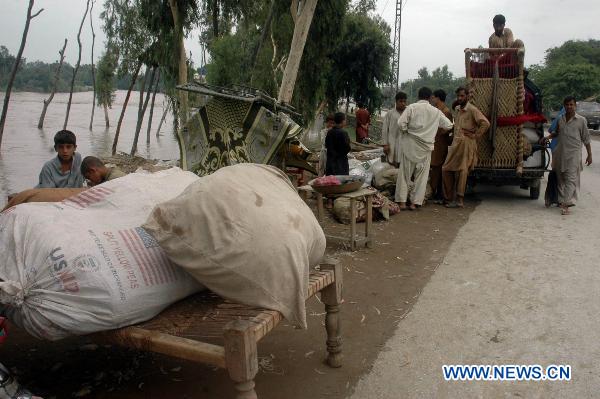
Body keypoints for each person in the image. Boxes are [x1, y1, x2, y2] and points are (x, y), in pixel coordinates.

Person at [395, 87, 453, 210]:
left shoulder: (411, 108)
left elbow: (400, 123)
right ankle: (414, 203)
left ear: (418, 96)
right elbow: (449, 125)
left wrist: (407, 131)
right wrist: (433, 131)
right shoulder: (436, 112)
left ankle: (402, 202)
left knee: (404, 175)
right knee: (421, 178)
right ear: (429, 97)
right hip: (426, 148)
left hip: (410, 145)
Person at [540, 96, 592, 215]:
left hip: (574, 154)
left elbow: (587, 139)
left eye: (571, 105)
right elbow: (557, 133)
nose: (569, 107)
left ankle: (566, 203)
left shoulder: (581, 120)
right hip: (560, 153)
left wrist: (589, 155)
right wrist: (547, 137)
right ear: (564, 106)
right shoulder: (560, 119)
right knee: (560, 178)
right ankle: (561, 200)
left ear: (575, 106)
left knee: (571, 179)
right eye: (567, 105)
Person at [442, 87, 490, 208]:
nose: (460, 98)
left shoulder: (472, 110)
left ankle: (459, 200)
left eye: (462, 96)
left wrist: (475, 135)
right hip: (456, 144)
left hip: (467, 144)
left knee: (462, 171)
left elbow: (485, 123)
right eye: (458, 96)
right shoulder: (458, 109)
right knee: (446, 168)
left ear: (467, 96)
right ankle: (448, 198)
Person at [429, 89, 454, 204]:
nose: (432, 99)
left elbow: (448, 128)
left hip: (440, 144)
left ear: (438, 98)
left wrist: (436, 131)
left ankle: (438, 194)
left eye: (433, 97)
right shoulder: (438, 110)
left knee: (437, 169)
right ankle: (436, 193)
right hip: (436, 143)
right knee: (435, 169)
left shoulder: (446, 111)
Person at [382, 92, 408, 167]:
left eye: (404, 101)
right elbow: (384, 129)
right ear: (396, 102)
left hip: (405, 143)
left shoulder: (409, 113)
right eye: (401, 101)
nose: (403, 103)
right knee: (391, 162)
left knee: (403, 163)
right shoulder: (390, 113)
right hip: (392, 142)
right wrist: (385, 144)